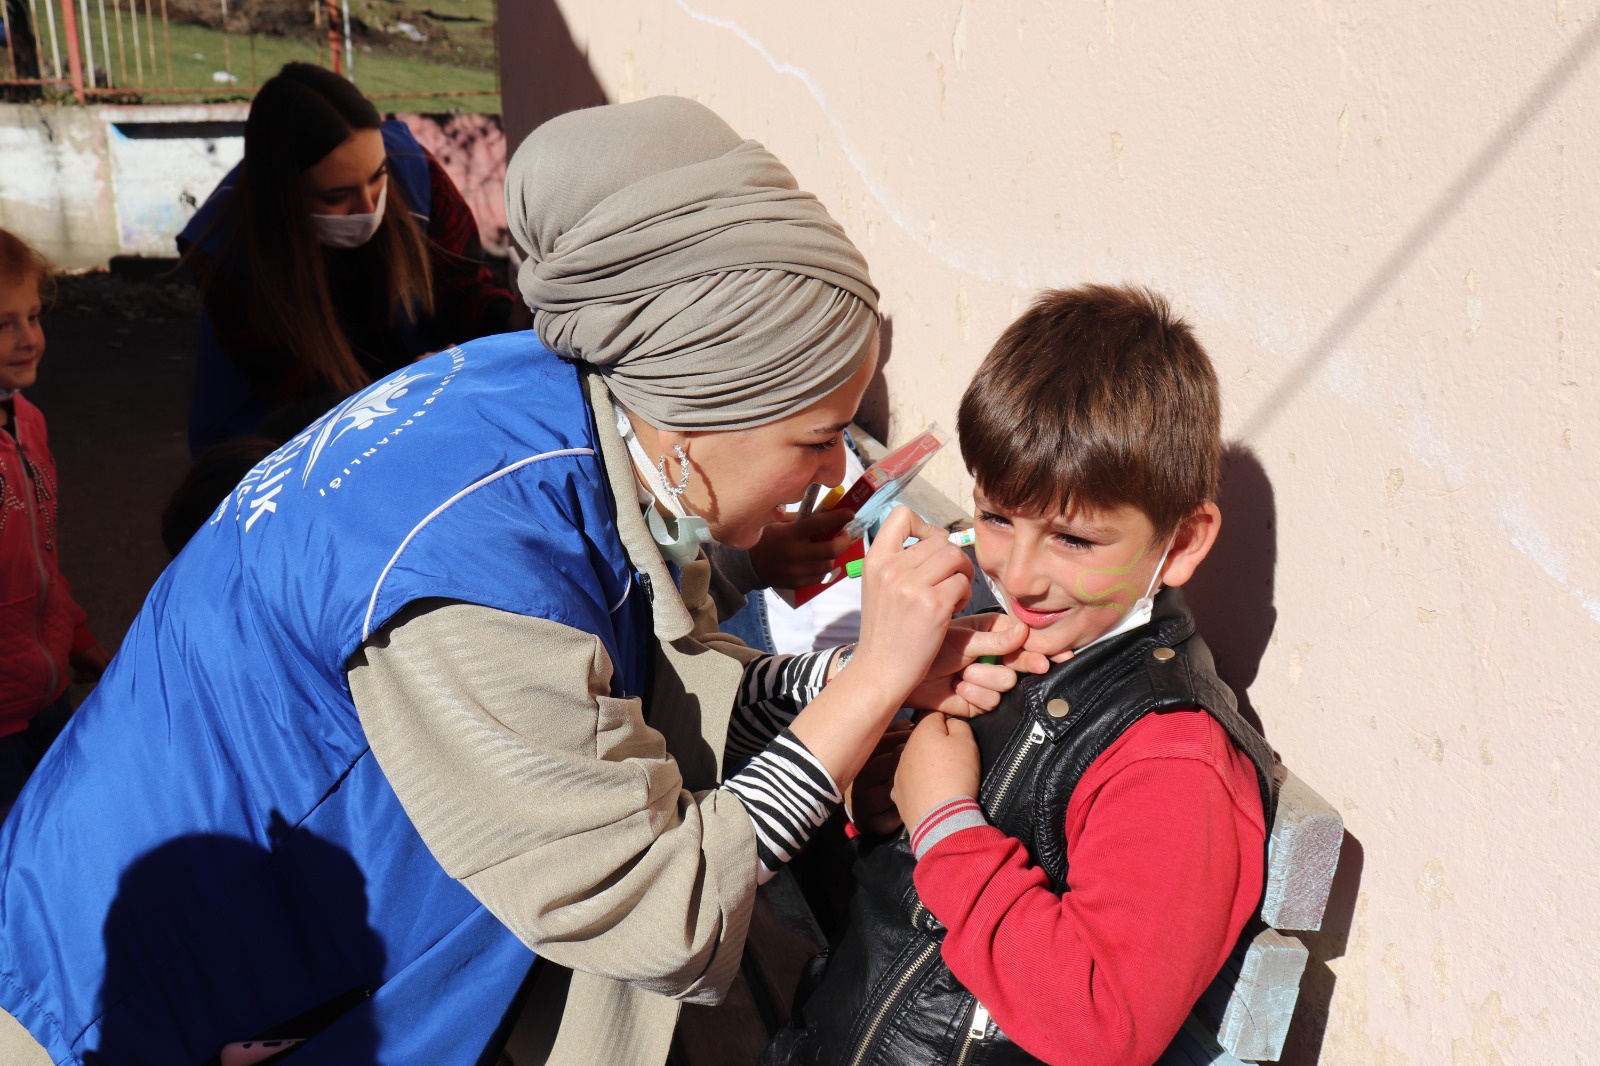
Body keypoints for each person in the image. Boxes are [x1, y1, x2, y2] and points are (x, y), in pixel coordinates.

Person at [0, 97, 1039, 1066]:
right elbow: (659, 905)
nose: (831, 477)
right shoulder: (472, 580)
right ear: (692, 420)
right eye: (816, 440)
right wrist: (870, 685)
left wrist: (848, 680)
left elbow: (640, 682)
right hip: (133, 987)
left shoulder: (549, 391)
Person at [764, 285, 1279, 1066]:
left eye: (1074, 540)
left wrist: (942, 822)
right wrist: (887, 804)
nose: (1021, 575)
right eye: (997, 518)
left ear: (1180, 543)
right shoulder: (1012, 648)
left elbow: (1102, 1026)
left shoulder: (1174, 762)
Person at [178, 62, 520, 454]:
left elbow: (461, 288)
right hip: (283, 436)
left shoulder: (414, 170)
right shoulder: (226, 254)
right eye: (336, 196)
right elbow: (299, 394)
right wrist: (415, 388)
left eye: (378, 176)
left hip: (403, 395)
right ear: (282, 195)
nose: (368, 207)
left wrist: (510, 324)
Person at [0, 229, 110, 822]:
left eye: (34, 316)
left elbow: (42, 553)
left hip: (47, 692)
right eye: (3, 325)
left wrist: (76, 637)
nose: (29, 340)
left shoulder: (28, 421)